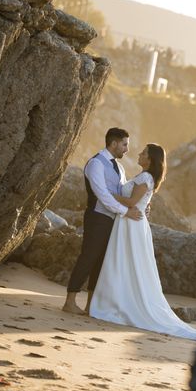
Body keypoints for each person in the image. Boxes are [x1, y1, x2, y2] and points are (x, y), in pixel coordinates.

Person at [89, 143, 196, 341]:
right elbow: (139, 202)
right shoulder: (146, 177)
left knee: (125, 263)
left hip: (131, 224)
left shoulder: (145, 177)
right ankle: (115, 301)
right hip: (130, 222)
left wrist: (105, 194)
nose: (139, 155)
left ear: (149, 159)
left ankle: (117, 304)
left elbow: (132, 202)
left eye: (143, 153)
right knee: (125, 264)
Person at [62, 128, 143, 315]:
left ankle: (91, 306)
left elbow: (122, 193)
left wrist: (138, 206)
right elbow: (103, 196)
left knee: (100, 262)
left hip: (113, 220)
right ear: (113, 143)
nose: (126, 149)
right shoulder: (96, 163)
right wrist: (126, 212)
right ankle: (70, 301)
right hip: (97, 217)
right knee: (88, 257)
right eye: (124, 144)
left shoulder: (120, 168)